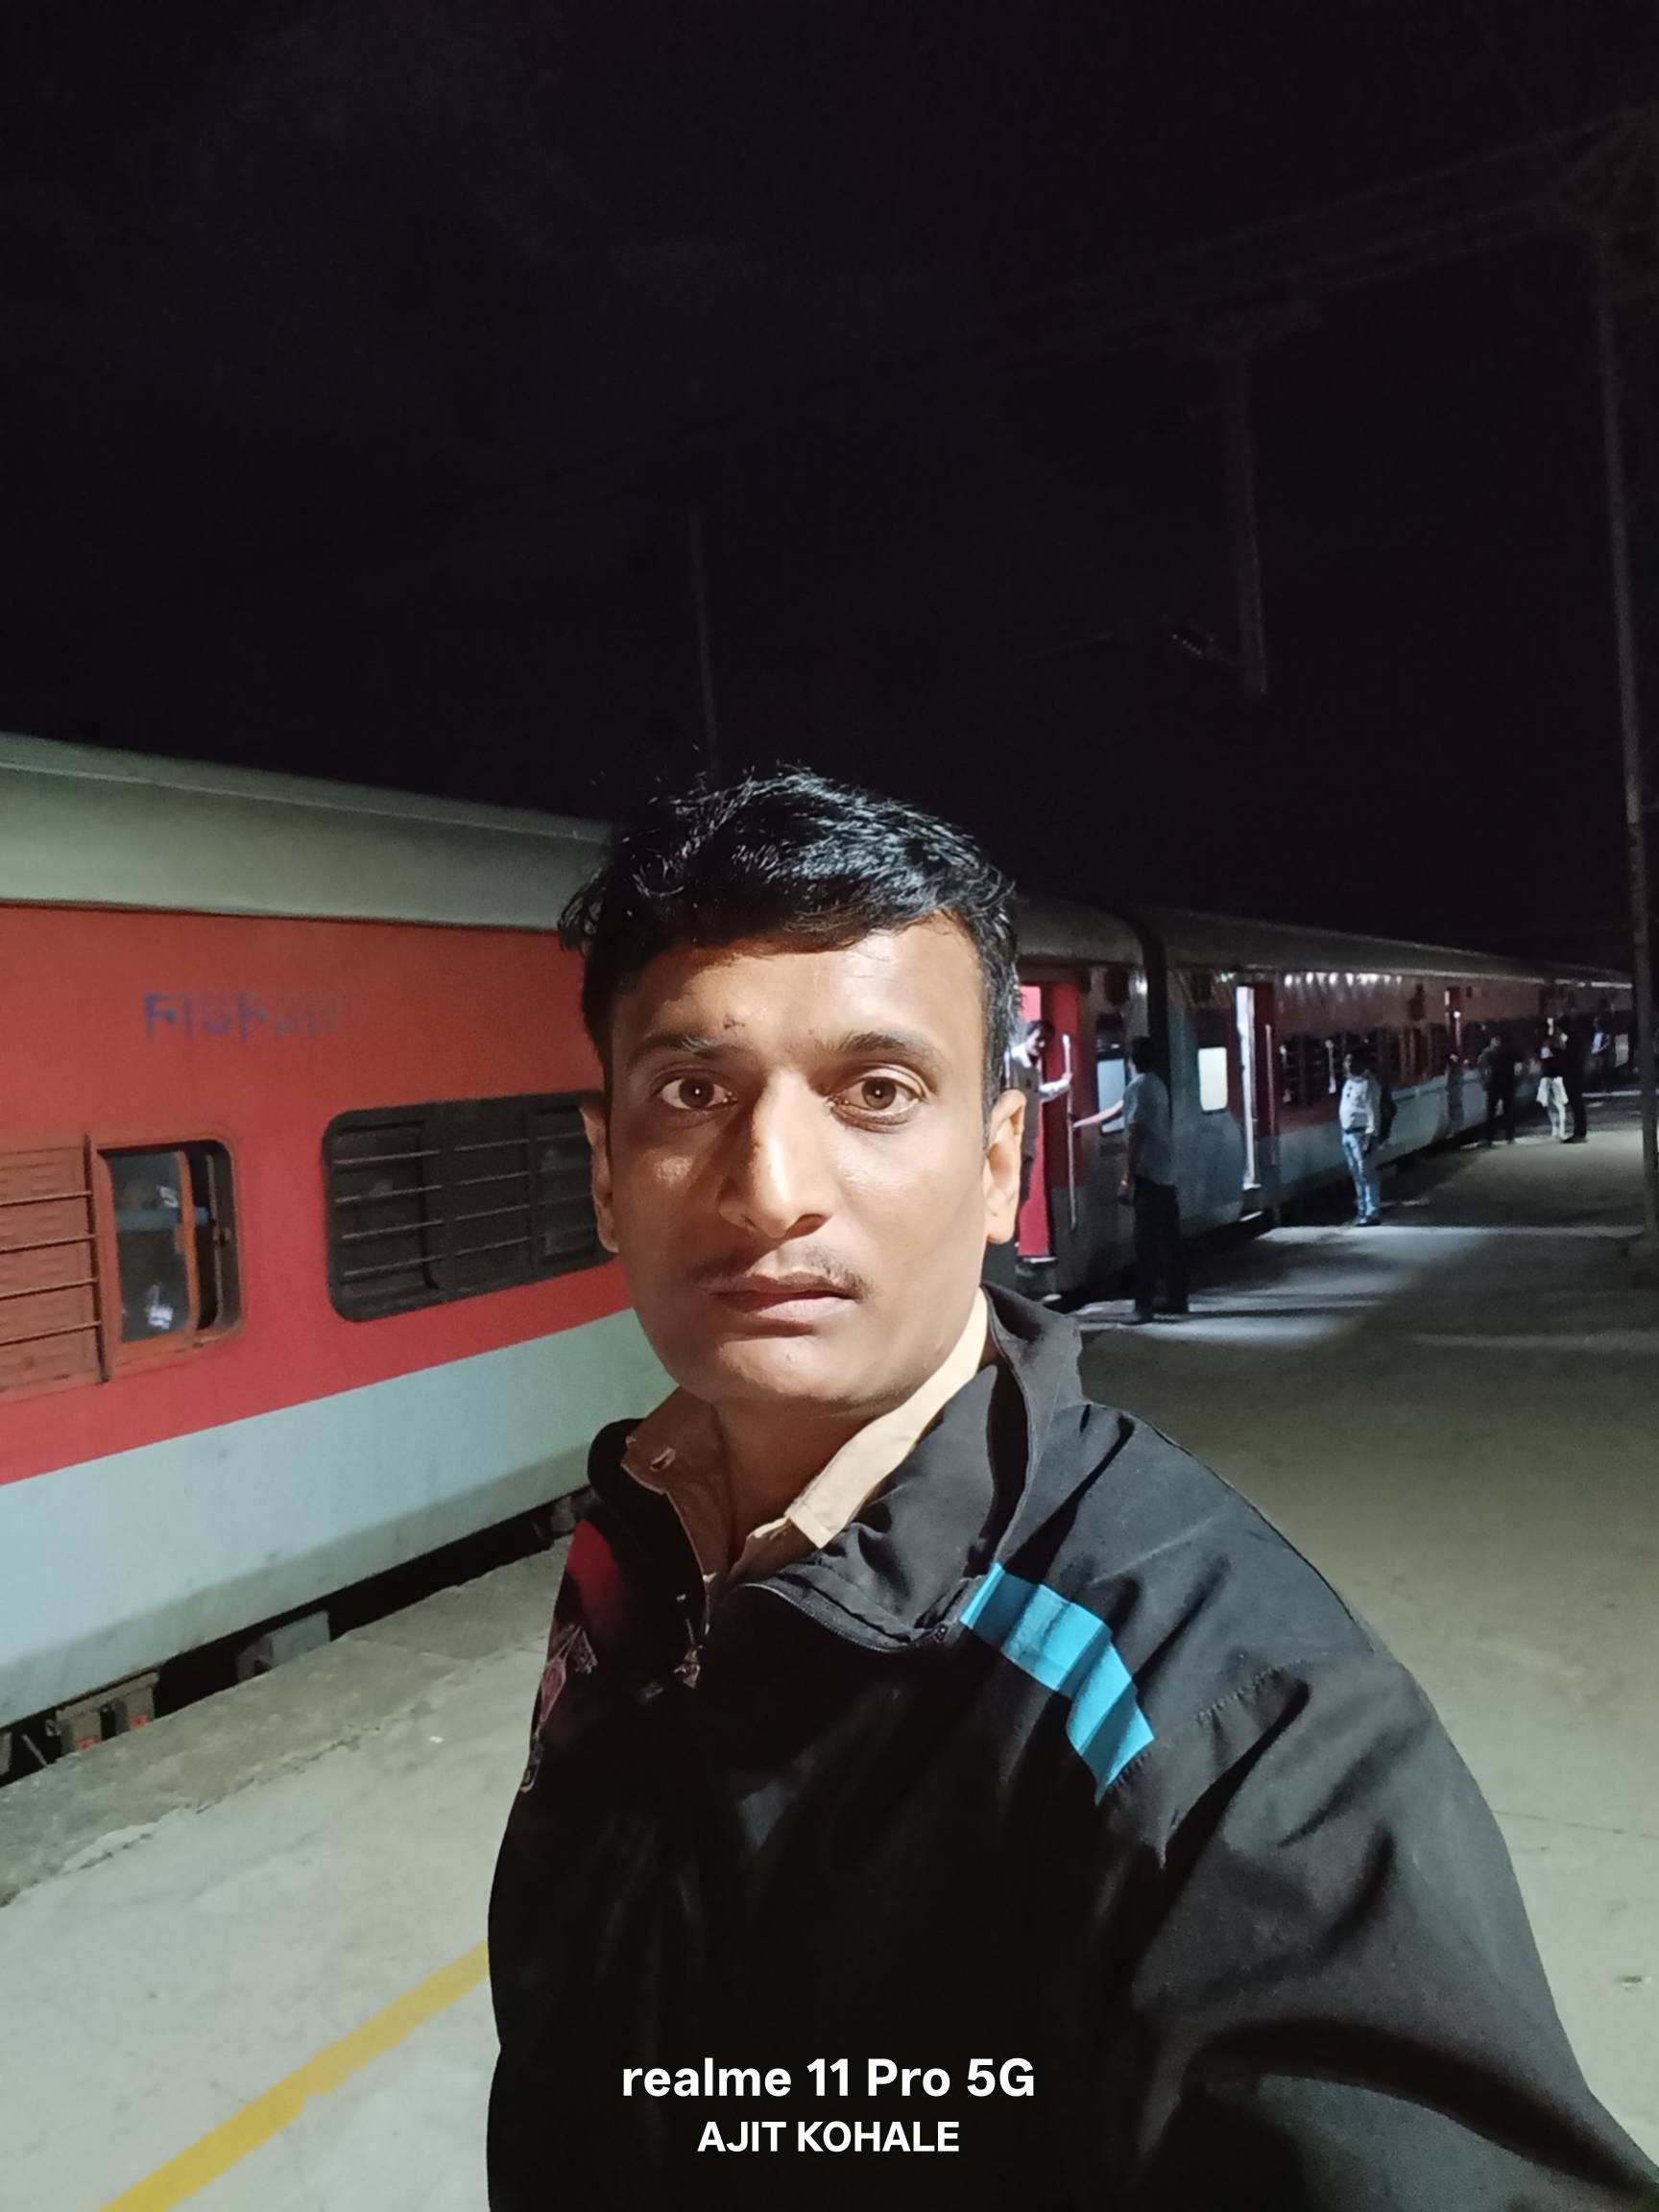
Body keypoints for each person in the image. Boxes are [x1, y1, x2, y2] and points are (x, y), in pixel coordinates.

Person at [487, 771, 1659, 2212]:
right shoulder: (641, 1564)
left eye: (877, 1093)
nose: (769, 1187)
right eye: (692, 1093)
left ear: (1000, 1163)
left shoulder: (1225, 1726)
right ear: (608, 1175)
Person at [1121, 1034, 1187, 1321]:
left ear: (1130, 1061)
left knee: (1144, 1243)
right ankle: (1176, 1297)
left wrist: (1127, 1177)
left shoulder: (1136, 1088)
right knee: (1169, 1240)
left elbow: (1136, 1133)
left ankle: (1143, 1306)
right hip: (1167, 1171)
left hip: (1148, 1174)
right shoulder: (1157, 1084)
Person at [1006, 1015, 1070, 1213]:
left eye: (1047, 1041)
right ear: (1027, 1036)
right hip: (1011, 1143)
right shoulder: (1012, 1062)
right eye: (1038, 1039)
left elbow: (1036, 1094)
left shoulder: (1033, 1069)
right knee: (1008, 1198)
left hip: (1026, 1143)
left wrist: (1063, 1085)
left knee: (1020, 1196)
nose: (1042, 1045)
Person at [1338, 1042, 1382, 1224]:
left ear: (1360, 1063)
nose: (1347, 1065)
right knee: (1357, 1175)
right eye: (1346, 1062)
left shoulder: (1368, 1085)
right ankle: (1362, 1210)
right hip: (1348, 1134)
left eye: (1350, 1061)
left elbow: (1373, 1112)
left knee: (1367, 1174)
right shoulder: (1349, 1083)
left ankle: (1372, 1212)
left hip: (1362, 1135)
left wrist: (1370, 1137)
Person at [1479, 1027, 1516, 1145]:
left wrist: (1485, 1081)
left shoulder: (1489, 1053)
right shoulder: (1510, 1052)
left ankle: (1489, 1137)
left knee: (1491, 1111)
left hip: (1494, 1084)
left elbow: (1482, 1064)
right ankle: (1510, 1136)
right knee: (1509, 1110)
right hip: (1508, 1083)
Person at [1538, 1026, 1570, 1142]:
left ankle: (1560, 1130)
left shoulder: (1554, 1049)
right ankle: (1556, 1129)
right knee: (1553, 1105)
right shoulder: (1553, 1049)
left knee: (1556, 1105)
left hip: (1554, 1078)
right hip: (1550, 1078)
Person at [1561, 1022, 1589, 1143]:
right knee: (1577, 1104)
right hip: (1577, 1074)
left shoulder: (1571, 1040)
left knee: (1576, 1104)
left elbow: (1568, 1057)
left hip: (1573, 1075)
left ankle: (1579, 1133)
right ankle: (1580, 1132)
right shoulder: (1577, 1038)